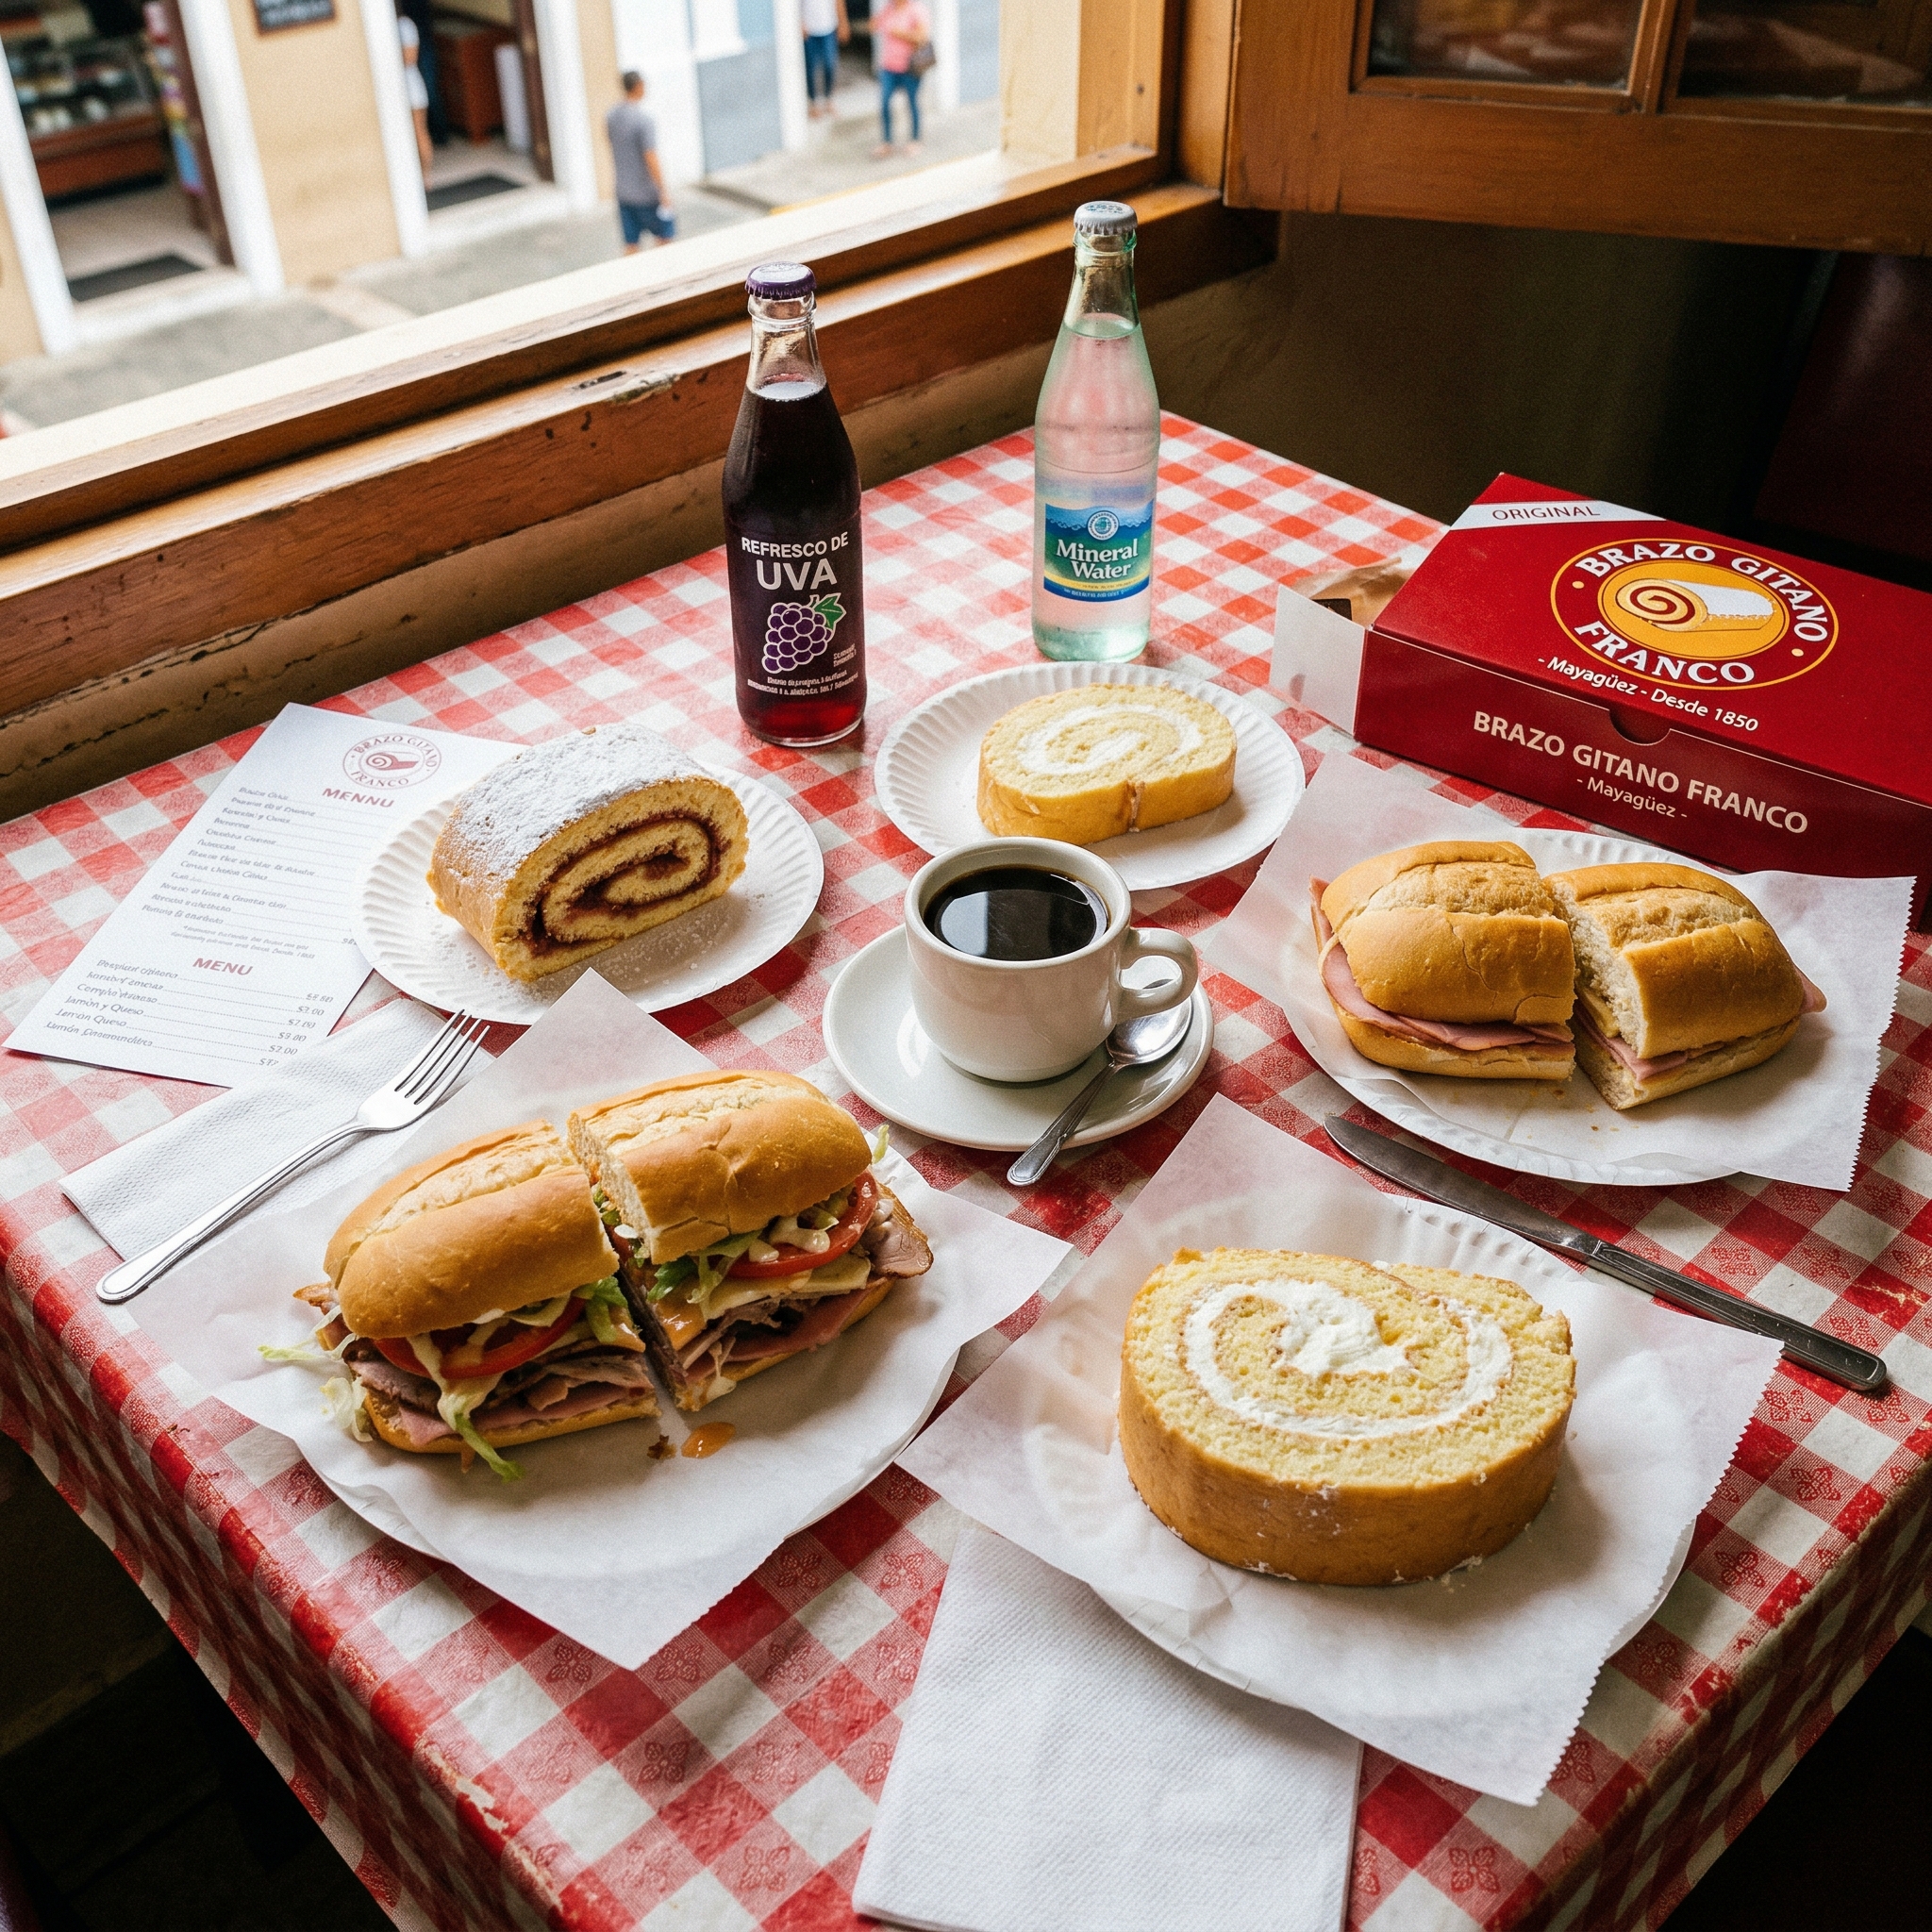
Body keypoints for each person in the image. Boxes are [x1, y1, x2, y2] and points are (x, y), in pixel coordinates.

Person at [606, 72, 675, 253]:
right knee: (665, 238)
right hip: (646, 193)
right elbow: (650, 157)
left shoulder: (611, 117)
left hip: (623, 192)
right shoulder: (644, 121)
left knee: (631, 244)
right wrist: (663, 190)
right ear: (638, 86)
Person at [873, 0, 930, 157]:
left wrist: (900, 33)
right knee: (884, 103)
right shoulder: (888, 8)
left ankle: (915, 140)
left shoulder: (916, 9)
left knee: (912, 103)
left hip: (909, 68)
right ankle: (887, 142)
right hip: (888, 67)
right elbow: (875, 25)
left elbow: (922, 37)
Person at [802, 0, 849, 120]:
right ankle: (813, 103)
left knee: (829, 65)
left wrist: (843, 22)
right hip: (810, 30)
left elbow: (839, 2)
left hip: (828, 29)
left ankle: (829, 100)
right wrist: (800, 23)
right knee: (810, 68)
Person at [398, 14, 431, 181]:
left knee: (418, 130)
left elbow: (411, 57)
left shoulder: (404, 25)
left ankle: (426, 176)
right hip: (395, 90)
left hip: (411, 88)